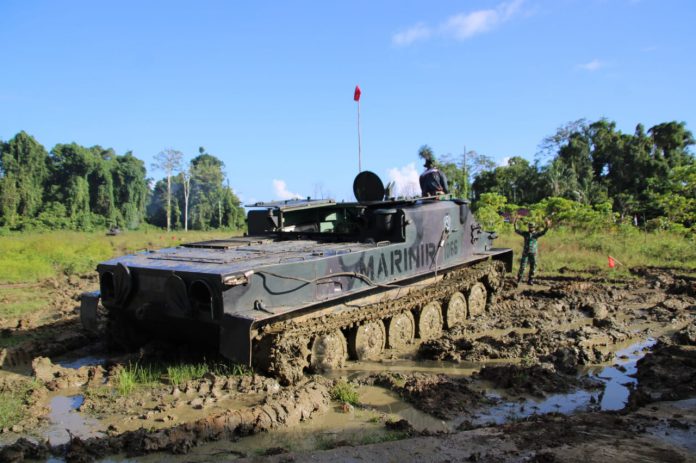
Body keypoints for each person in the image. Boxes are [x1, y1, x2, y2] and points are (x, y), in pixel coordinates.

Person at [514, 216, 551, 285]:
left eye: (532, 227)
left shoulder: (536, 234)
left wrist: (547, 225)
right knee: (522, 267)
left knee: (533, 266)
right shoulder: (525, 233)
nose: (530, 228)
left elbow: (544, 232)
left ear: (534, 227)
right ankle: (519, 280)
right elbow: (516, 230)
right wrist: (515, 222)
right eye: (529, 227)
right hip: (525, 253)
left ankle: (530, 280)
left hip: (533, 253)